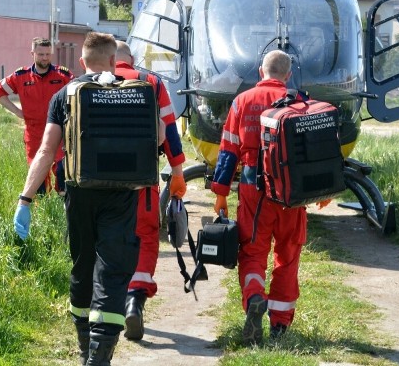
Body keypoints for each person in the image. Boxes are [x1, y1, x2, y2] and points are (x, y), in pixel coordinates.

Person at [14, 32, 156, 366]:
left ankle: (83, 346)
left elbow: (47, 150)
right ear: (112, 61)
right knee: (114, 271)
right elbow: (159, 137)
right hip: (122, 196)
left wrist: (25, 199)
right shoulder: (137, 93)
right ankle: (99, 354)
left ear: (81, 62)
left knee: (82, 266)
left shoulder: (65, 94)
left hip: (78, 193)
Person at [210, 49, 306, 344]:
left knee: (252, 252)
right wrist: (322, 190)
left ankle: (254, 296)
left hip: (254, 191)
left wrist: (221, 193)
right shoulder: (301, 103)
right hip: (291, 194)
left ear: (260, 72)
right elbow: (314, 152)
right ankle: (280, 325)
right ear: (287, 75)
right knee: (287, 256)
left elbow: (228, 152)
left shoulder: (242, 101)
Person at [113, 41, 187, 341]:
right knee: (145, 237)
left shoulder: (88, 82)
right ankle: (134, 299)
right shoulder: (151, 82)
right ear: (132, 59)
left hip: (96, 182)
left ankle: (104, 305)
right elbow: (169, 129)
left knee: (105, 238)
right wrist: (178, 170)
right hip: (141, 178)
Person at [0, 37, 73, 194]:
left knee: (62, 170)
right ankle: (43, 207)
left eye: (48, 54)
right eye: (40, 54)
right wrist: (17, 112)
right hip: (34, 132)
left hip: (58, 130)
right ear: (32, 54)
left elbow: (77, 90)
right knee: (38, 176)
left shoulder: (62, 75)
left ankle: (63, 205)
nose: (45, 58)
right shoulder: (20, 76)